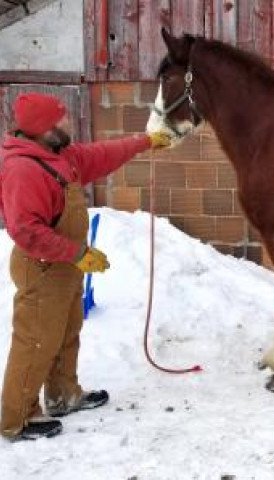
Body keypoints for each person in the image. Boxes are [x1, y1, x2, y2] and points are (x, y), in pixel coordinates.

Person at [0, 92, 170, 441]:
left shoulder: (59, 155)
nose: (67, 122)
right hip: (42, 266)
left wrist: (144, 142)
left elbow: (101, 155)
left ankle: (63, 396)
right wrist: (76, 253)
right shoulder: (24, 168)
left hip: (63, 265)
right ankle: (15, 419)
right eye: (59, 120)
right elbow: (26, 230)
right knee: (35, 342)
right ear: (42, 128)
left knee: (65, 333)